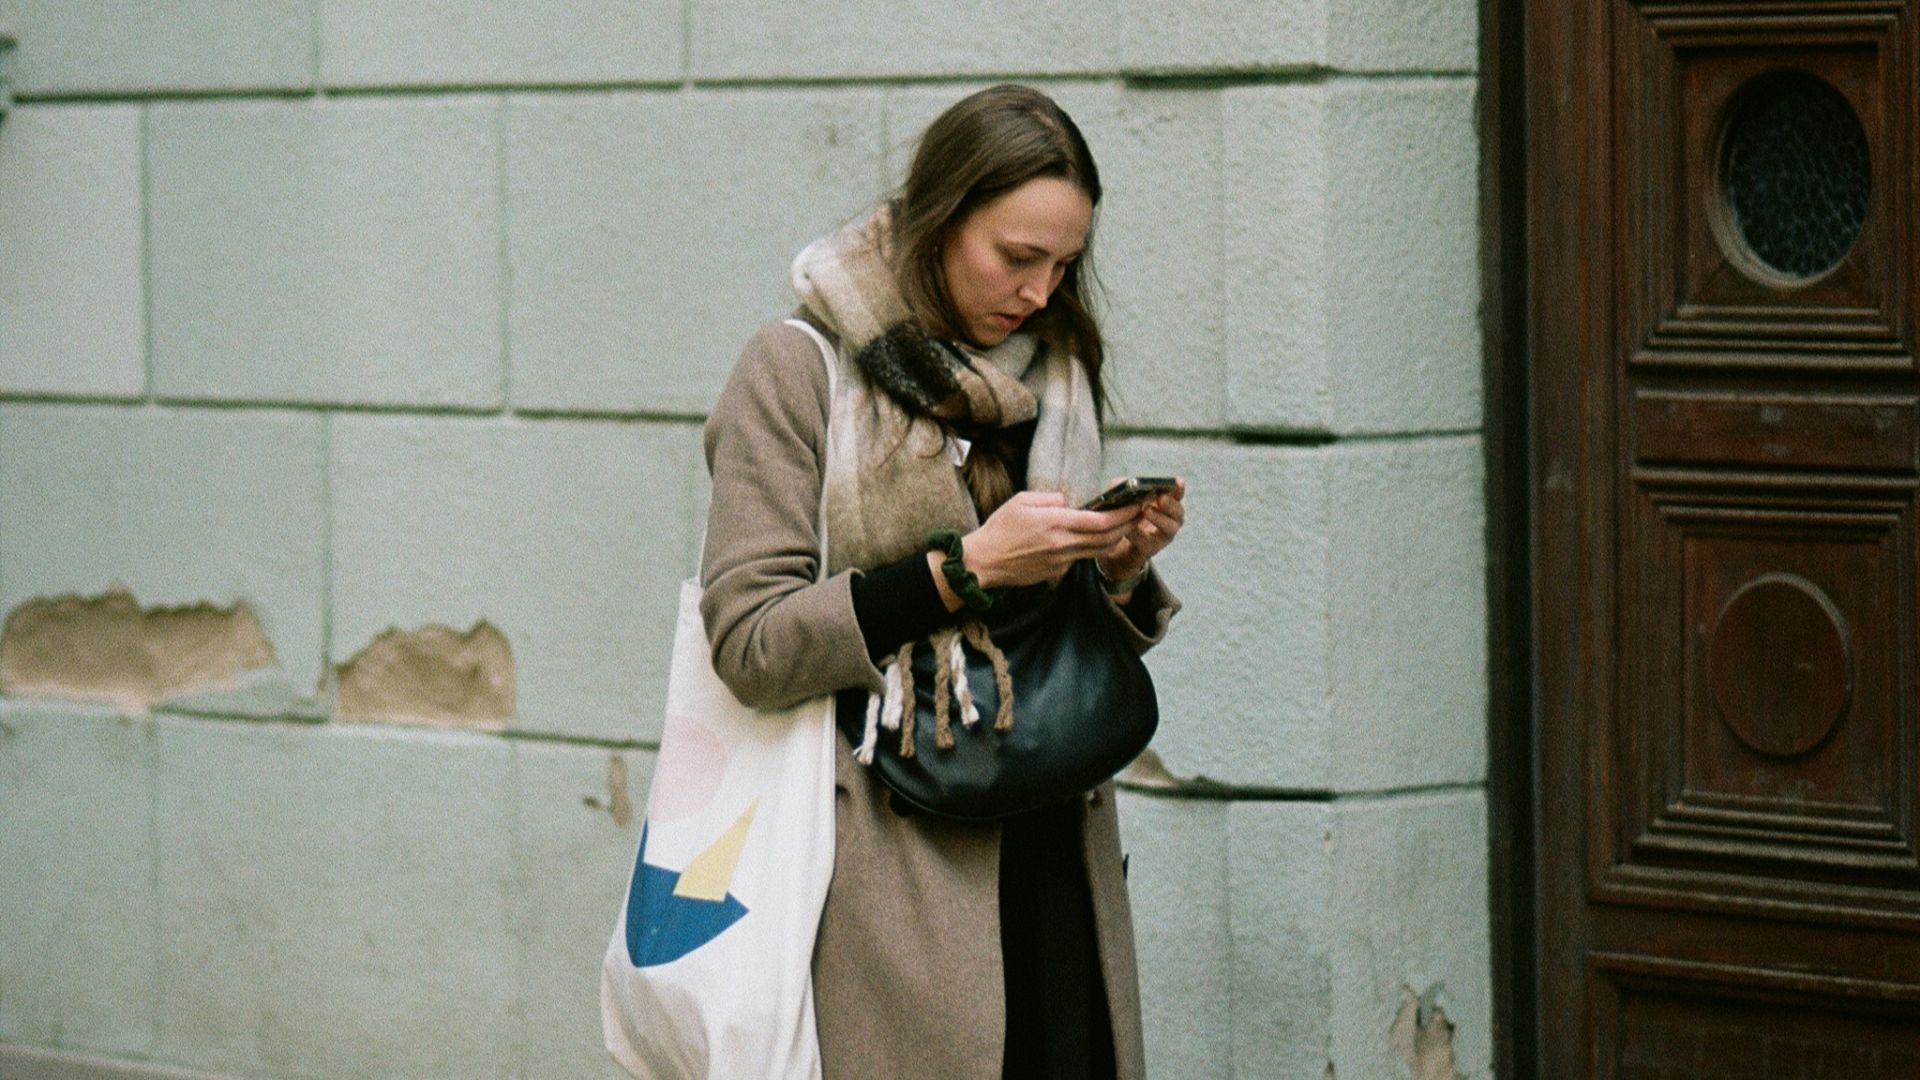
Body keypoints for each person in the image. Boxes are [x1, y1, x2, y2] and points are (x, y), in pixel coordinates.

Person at [698, 83, 1186, 1080]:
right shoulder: (798, 371)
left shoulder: (1049, 378)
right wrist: (959, 573)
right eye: (1017, 258)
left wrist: (1116, 570)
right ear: (938, 219)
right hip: (894, 872)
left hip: (1056, 851)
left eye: (1066, 264)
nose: (1043, 293)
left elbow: (1036, 637)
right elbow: (749, 641)